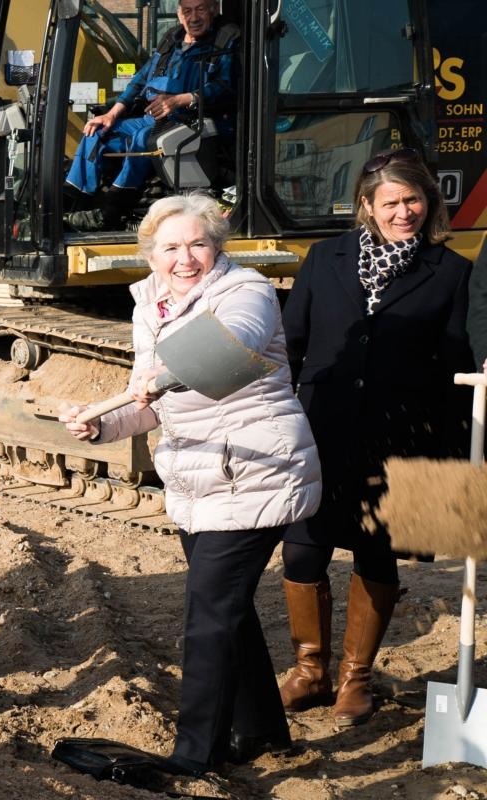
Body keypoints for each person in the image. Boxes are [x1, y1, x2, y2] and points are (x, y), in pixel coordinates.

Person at [60, 194, 320, 774]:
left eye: (197, 244)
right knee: (228, 610)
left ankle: (193, 755)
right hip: (198, 478)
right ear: (150, 255)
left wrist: (164, 375)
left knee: (208, 615)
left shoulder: (244, 290)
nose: (185, 258)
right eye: (170, 247)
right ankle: (262, 731)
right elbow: (148, 405)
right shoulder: (148, 305)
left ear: (217, 247)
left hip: (256, 473)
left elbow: (237, 343)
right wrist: (101, 423)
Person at [278, 148, 473, 727]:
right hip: (322, 425)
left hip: (404, 431)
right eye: (391, 202)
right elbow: (292, 343)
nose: (404, 211)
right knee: (303, 546)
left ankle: (354, 679)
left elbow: (458, 362)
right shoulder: (324, 258)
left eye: (414, 199)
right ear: (367, 205)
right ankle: (310, 669)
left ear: (429, 202)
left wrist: (458, 459)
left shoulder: (452, 272)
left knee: (377, 552)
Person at [64, 0, 237, 231]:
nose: (193, 17)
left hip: (189, 119)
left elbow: (225, 87)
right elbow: (139, 81)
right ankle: (72, 205)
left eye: (200, 9)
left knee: (143, 137)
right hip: (150, 117)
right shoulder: (171, 41)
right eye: (187, 11)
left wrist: (179, 100)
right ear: (179, 14)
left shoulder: (224, 43)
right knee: (96, 132)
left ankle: (113, 209)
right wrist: (111, 114)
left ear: (213, 10)